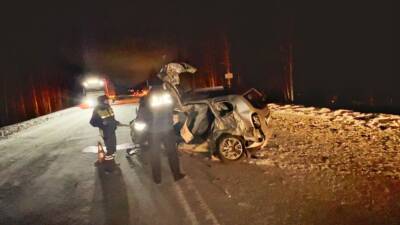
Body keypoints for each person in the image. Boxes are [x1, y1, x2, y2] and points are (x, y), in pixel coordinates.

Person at [138, 80, 185, 184]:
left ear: (149, 85)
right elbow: (173, 107)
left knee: (155, 155)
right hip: (168, 129)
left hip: (153, 131)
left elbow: (141, 117)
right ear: (161, 84)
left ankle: (157, 178)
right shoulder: (167, 95)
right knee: (172, 153)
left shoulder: (146, 98)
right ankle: (177, 175)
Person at [90, 95, 120, 161]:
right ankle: (109, 154)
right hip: (105, 130)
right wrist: (102, 124)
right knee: (108, 141)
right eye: (106, 100)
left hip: (112, 128)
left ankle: (113, 152)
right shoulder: (97, 109)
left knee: (113, 140)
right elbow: (92, 122)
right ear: (102, 101)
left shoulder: (108, 107)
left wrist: (115, 122)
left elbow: (111, 117)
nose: (108, 100)